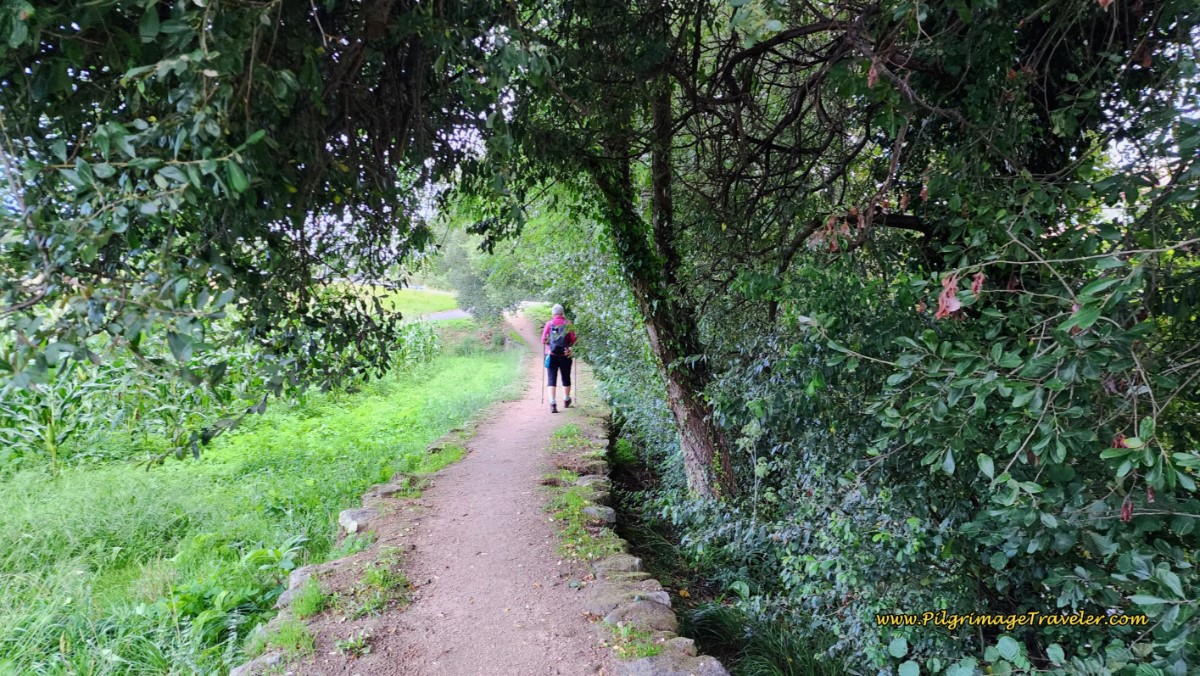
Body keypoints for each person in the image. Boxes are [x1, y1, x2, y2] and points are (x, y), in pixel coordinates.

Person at [541, 304, 577, 413]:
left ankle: (552, 403)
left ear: (553, 313)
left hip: (551, 355)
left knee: (551, 378)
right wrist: (570, 347)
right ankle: (566, 400)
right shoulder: (568, 324)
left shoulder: (549, 324)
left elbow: (543, 340)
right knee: (566, 377)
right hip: (566, 355)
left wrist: (549, 344)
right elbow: (574, 339)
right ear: (563, 313)